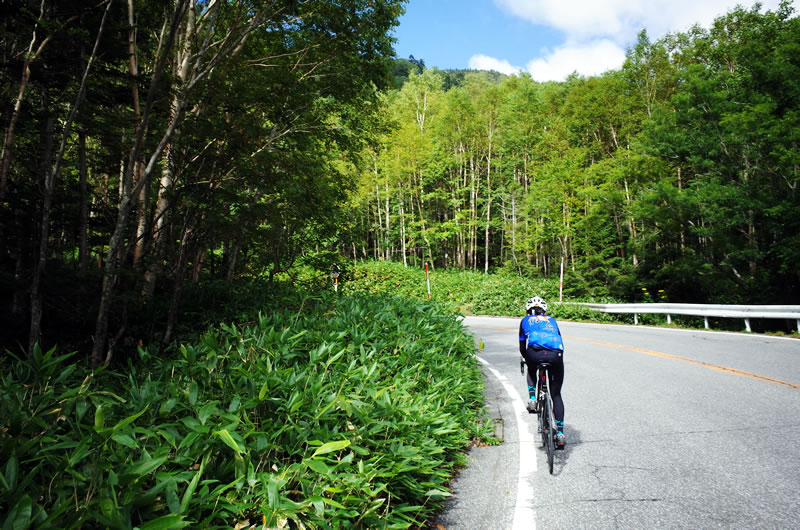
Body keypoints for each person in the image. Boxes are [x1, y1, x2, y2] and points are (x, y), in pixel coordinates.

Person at [519, 296, 566, 449]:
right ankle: (560, 434)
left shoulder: (525, 321)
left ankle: (532, 399)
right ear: (545, 311)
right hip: (555, 355)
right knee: (556, 394)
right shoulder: (552, 320)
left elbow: (522, 345)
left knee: (531, 368)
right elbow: (560, 341)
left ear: (528, 311)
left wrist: (526, 358)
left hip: (535, 353)